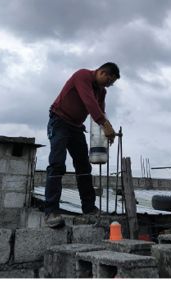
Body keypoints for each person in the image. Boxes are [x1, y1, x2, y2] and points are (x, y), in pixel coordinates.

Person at [44, 63, 119, 229]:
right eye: (108, 79)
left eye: (111, 83)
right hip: (59, 121)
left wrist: (106, 132)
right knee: (57, 164)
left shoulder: (102, 91)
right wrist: (106, 126)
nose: (108, 84)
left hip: (76, 127)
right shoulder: (82, 75)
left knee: (84, 167)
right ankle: (51, 211)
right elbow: (90, 103)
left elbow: (99, 113)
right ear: (101, 72)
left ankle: (89, 208)